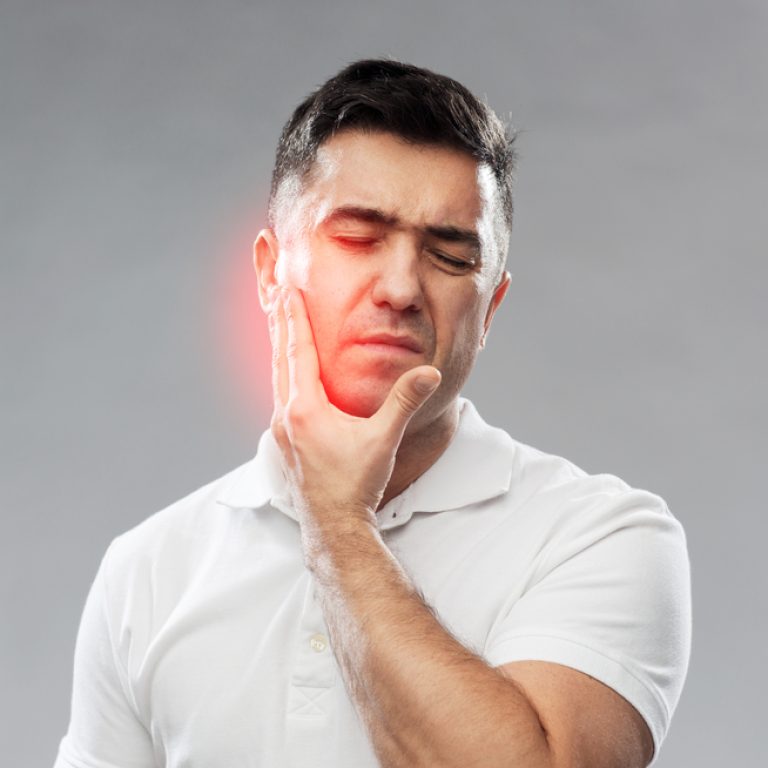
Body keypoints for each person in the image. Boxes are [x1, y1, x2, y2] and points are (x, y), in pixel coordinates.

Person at [55, 59, 691, 768]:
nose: (399, 288)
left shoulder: (601, 536)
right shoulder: (148, 569)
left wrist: (336, 521)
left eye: (449, 256)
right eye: (357, 238)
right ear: (270, 274)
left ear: (491, 310)